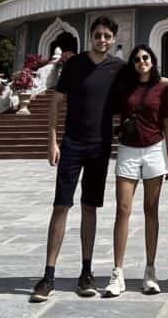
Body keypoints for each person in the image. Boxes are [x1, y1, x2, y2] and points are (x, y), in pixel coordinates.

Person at [29, 15, 124, 303]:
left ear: (113, 39)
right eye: (98, 35)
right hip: (72, 143)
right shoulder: (74, 65)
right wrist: (52, 140)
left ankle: (86, 271)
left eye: (107, 36)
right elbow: (57, 101)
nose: (103, 40)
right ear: (91, 36)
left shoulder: (118, 69)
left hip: (100, 145)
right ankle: (48, 274)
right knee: (61, 206)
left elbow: (147, 84)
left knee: (90, 207)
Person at [101, 44, 168, 297]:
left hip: (154, 149)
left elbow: (167, 123)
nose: (142, 61)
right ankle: (117, 272)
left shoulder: (161, 90)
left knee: (151, 210)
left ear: (153, 61)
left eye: (146, 58)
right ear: (132, 63)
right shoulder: (124, 86)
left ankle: (150, 270)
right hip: (128, 150)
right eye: (137, 59)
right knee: (123, 210)